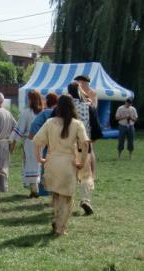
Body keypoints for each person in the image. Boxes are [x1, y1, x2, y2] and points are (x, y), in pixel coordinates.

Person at [33, 95, 89, 236]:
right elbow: (85, 144)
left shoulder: (50, 122)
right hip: (68, 165)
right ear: (72, 107)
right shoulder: (77, 124)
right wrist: (81, 162)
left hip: (52, 163)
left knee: (56, 196)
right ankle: (60, 228)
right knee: (67, 198)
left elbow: (37, 141)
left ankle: (56, 220)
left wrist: (39, 158)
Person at [68, 82, 102, 215]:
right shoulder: (88, 107)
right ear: (80, 91)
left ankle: (68, 200)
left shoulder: (63, 108)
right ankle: (85, 200)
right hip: (83, 145)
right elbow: (97, 130)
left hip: (66, 146)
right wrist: (90, 141)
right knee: (85, 175)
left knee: (69, 174)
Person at [10, 90, 43, 198]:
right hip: (43, 142)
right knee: (38, 163)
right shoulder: (43, 112)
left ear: (31, 100)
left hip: (31, 141)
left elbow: (20, 127)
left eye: (28, 99)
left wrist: (13, 141)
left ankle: (35, 189)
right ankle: (36, 188)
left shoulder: (27, 112)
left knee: (30, 163)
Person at [28, 93, 59, 196]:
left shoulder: (45, 113)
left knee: (47, 169)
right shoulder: (67, 114)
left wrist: (41, 139)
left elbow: (34, 126)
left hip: (49, 146)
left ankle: (46, 191)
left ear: (48, 101)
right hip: (66, 148)